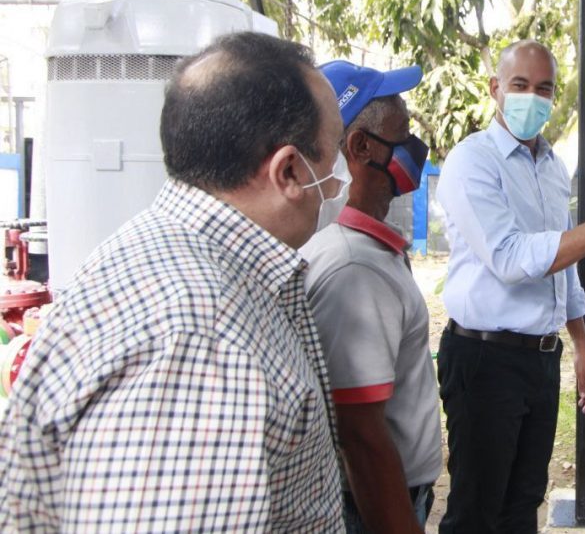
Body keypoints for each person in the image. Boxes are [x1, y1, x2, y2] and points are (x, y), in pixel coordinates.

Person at [0, 32, 348, 532]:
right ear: (290, 171)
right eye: (332, 158)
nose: (337, 181)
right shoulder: (202, 339)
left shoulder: (159, 253)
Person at [435, 39, 585, 533]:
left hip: (540, 362)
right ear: (494, 88)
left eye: (543, 89)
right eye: (519, 85)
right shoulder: (471, 162)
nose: (531, 98)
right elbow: (511, 258)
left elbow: (562, 264)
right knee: (476, 512)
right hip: (484, 361)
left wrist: (582, 347)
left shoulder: (551, 166)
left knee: (523, 504)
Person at [301, 60, 441, 534]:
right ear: (361, 146)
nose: (414, 146)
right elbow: (360, 435)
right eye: (402, 131)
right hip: (379, 504)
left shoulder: (361, 248)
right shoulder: (354, 267)